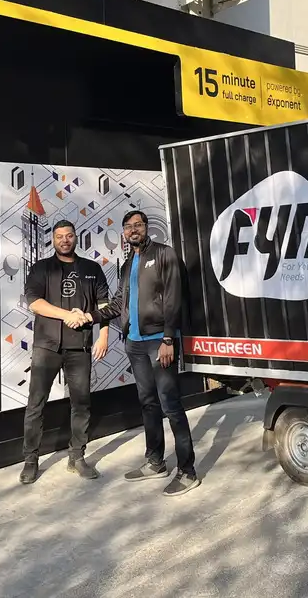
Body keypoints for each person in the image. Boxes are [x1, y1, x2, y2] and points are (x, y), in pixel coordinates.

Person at [94, 210, 200, 496]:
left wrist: (169, 338)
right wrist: (88, 316)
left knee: (171, 405)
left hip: (159, 342)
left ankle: (187, 471)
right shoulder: (127, 264)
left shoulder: (165, 254)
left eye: (137, 225)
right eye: (128, 227)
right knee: (148, 403)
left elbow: (175, 298)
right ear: (124, 234)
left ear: (147, 227)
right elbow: (118, 303)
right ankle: (155, 462)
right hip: (135, 344)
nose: (133, 230)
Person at [19, 220, 111, 485]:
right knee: (36, 405)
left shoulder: (92, 268)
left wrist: (103, 335)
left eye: (69, 235)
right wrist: (68, 316)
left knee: (81, 404)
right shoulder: (41, 268)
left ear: (75, 238)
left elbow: (104, 304)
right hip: (46, 346)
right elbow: (34, 303)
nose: (64, 240)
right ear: (54, 240)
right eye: (59, 236)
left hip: (79, 346)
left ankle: (77, 456)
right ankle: (30, 460)